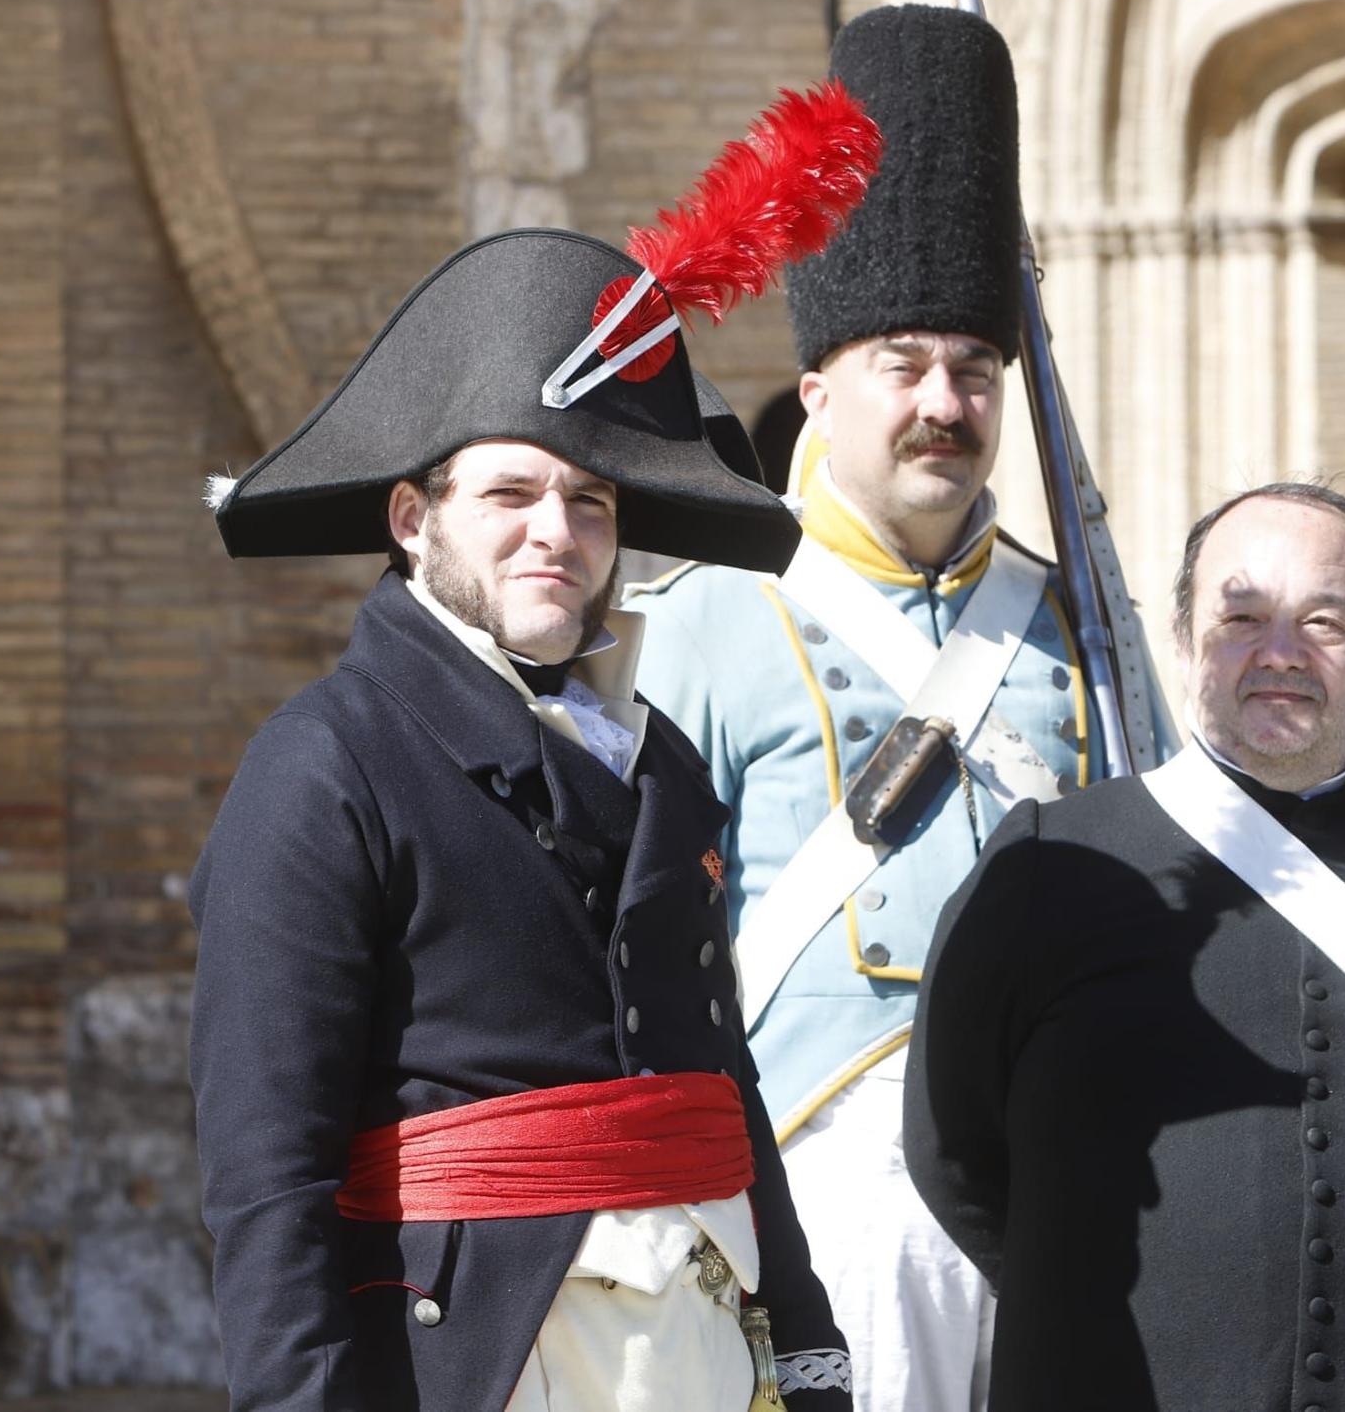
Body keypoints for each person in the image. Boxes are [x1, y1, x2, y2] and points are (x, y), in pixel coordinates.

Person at [189, 97, 875, 1412]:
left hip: (709, 1349)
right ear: (412, 516)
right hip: (481, 1365)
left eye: (591, 501)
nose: (554, 531)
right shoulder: (320, 766)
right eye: (509, 493)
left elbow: (717, 1083)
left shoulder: (658, 756)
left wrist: (814, 1353)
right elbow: (265, 1180)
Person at [628, 4, 1174, 1412]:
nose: (948, 401)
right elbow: (630, 939)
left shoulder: (1074, 628)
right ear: (818, 388)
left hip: (1070, 1175)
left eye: (975, 372)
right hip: (829, 1194)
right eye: (906, 365)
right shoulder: (701, 616)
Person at [906, 481, 1345, 1412]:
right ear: (1181, 640)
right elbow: (955, 1148)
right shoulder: (1051, 866)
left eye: (1324, 622)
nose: (1279, 654)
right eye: (1241, 616)